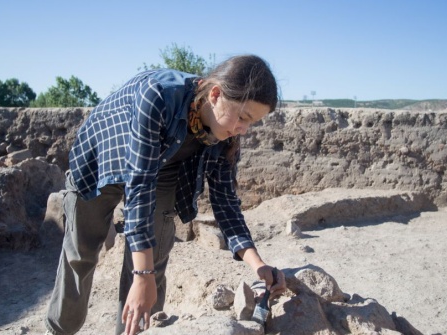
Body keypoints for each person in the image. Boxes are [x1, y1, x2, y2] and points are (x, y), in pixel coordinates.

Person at [45, 54, 287, 335]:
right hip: (101, 162)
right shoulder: (159, 96)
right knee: (82, 254)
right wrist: (141, 275)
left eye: (252, 123)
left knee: (154, 262)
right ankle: (59, 329)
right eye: (243, 117)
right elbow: (139, 185)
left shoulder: (226, 134)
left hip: (162, 170)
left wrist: (258, 266)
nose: (243, 129)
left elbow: (226, 204)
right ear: (216, 94)